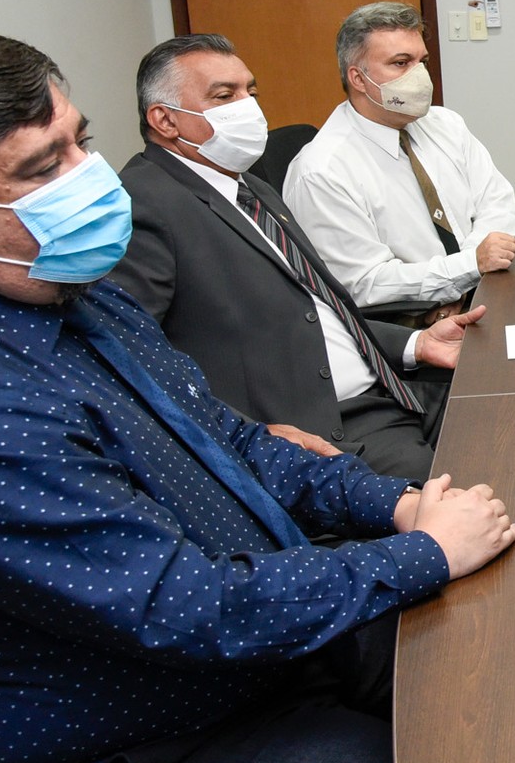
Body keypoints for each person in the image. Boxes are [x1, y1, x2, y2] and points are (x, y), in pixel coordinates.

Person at [0, 28, 515, 763]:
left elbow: (234, 442)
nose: (91, 175)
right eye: (45, 167)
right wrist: (423, 555)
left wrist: (395, 504)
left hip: (245, 669)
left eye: (81, 139)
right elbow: (186, 607)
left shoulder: (75, 301)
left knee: (501, 663)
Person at [117, 33, 480, 483]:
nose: (247, 106)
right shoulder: (143, 202)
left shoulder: (248, 186)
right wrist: (247, 436)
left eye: (250, 91)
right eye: (224, 95)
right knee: (480, 487)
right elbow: (129, 358)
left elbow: (316, 309)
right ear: (165, 120)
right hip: (326, 429)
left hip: (389, 389)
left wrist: (414, 343)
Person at [284, 1, 515, 314]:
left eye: (421, 61)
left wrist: (475, 268)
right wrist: (470, 264)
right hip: (415, 334)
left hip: (488, 295)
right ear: (358, 79)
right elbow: (366, 283)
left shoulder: (445, 124)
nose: (420, 76)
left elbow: (500, 206)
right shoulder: (321, 171)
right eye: (401, 63)